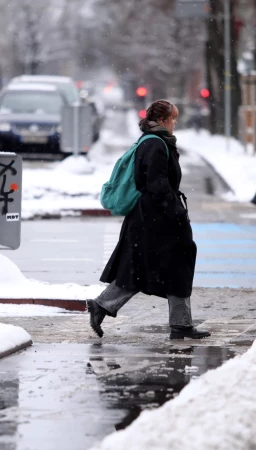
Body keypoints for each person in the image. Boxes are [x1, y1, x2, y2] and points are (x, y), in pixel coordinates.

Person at [87, 100, 210, 340]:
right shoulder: (155, 144)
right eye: (173, 119)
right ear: (163, 121)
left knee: (150, 268)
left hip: (150, 217)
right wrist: (176, 211)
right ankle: (178, 323)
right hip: (157, 218)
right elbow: (156, 184)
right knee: (162, 266)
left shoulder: (154, 142)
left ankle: (179, 323)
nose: (175, 123)